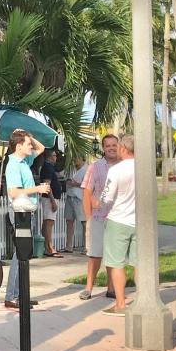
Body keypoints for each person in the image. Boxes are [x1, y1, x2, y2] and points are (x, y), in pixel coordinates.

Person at [3, 129, 50, 309]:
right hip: (19, 212)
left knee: (24, 253)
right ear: (18, 146)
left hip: (27, 211)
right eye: (27, 144)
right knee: (20, 253)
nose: (31, 146)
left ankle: (20, 294)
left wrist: (24, 135)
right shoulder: (13, 165)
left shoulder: (24, 161)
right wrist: (37, 189)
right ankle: (11, 296)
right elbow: (13, 192)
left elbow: (41, 147)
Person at [99, 135, 136, 315]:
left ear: (123, 149)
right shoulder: (145, 168)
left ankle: (120, 303)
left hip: (118, 219)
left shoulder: (116, 170)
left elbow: (107, 198)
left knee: (116, 263)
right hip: (139, 221)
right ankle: (143, 300)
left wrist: (96, 202)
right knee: (139, 264)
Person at [80, 134, 120, 300]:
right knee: (95, 255)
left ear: (119, 146)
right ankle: (88, 287)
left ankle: (111, 289)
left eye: (114, 145)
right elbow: (87, 194)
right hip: (98, 218)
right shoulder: (95, 167)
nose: (111, 148)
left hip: (118, 218)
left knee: (114, 256)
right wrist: (89, 219)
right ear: (103, 148)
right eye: (108, 145)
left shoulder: (124, 166)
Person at [61, 156, 88, 255]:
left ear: (82, 159)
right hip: (70, 196)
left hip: (79, 198)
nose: (74, 160)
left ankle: (86, 247)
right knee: (69, 221)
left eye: (76, 158)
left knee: (84, 223)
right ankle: (69, 246)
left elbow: (87, 184)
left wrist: (74, 183)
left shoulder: (86, 170)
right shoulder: (71, 169)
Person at [39, 150, 63, 257]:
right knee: (49, 222)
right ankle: (49, 247)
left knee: (49, 222)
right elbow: (47, 185)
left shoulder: (49, 167)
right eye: (54, 155)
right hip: (48, 199)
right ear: (49, 157)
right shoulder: (47, 168)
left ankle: (48, 246)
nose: (56, 157)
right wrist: (53, 201)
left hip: (49, 198)